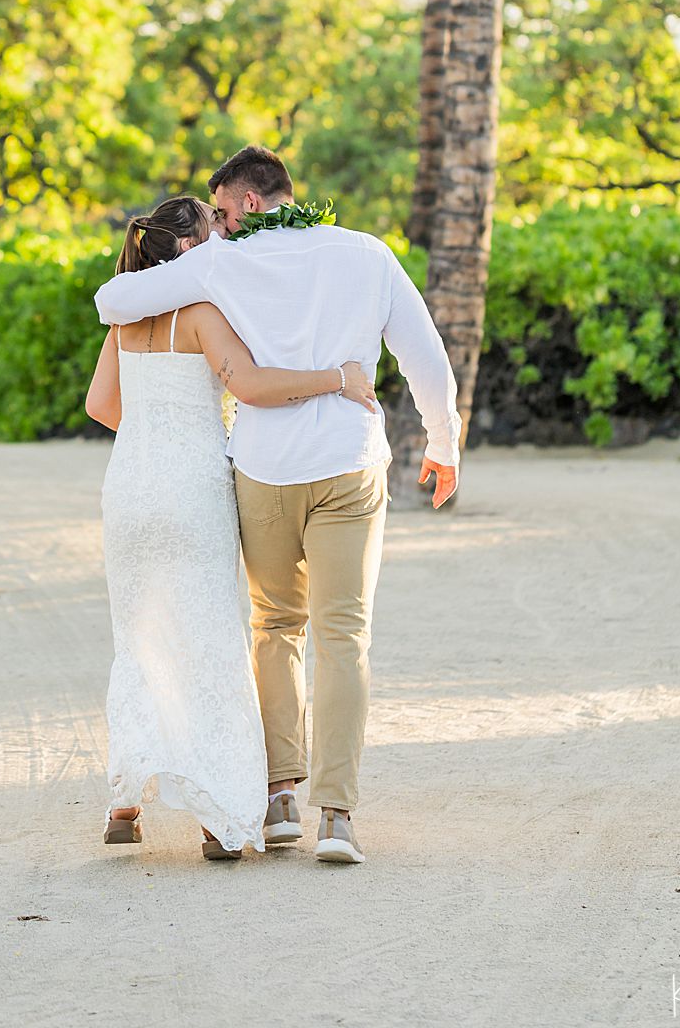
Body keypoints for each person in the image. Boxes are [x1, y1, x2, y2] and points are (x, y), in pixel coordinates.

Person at [94, 147, 461, 866]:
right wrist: (443, 443)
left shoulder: (221, 262)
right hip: (349, 464)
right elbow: (425, 355)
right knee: (344, 636)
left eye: (225, 213)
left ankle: (281, 796)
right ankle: (340, 817)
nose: (222, 227)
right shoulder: (369, 253)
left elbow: (112, 304)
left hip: (263, 469)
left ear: (249, 203)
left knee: (274, 629)